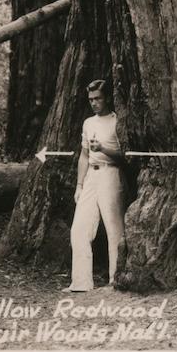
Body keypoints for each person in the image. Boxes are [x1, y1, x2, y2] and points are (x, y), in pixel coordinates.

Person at [63, 79, 126, 292]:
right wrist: (79, 185)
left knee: (114, 228)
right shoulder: (88, 123)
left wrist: (103, 149)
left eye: (97, 98)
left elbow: (125, 157)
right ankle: (81, 282)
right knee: (79, 228)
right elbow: (84, 155)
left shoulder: (118, 121)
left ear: (107, 98)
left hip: (111, 174)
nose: (94, 103)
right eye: (90, 99)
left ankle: (115, 280)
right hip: (91, 175)